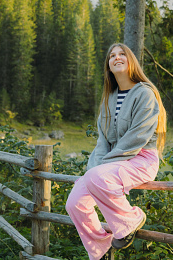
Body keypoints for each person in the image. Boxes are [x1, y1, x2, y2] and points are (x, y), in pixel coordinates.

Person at [65, 43, 167, 260]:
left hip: (141, 159)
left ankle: (131, 220)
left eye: (122, 54)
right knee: (74, 203)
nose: (117, 58)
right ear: (108, 66)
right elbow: (102, 140)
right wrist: (95, 168)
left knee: (95, 176)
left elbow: (136, 138)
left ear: (131, 61)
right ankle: (100, 250)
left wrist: (101, 169)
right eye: (112, 56)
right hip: (111, 163)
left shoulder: (145, 93)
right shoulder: (109, 98)